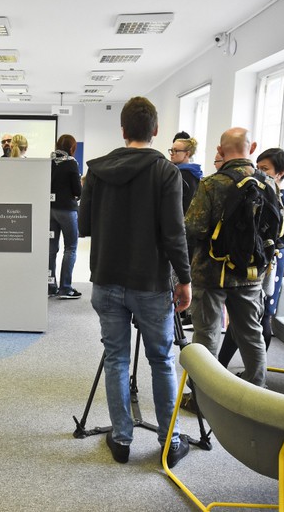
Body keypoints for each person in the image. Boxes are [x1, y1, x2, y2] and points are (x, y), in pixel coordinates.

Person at [78, 96, 192, 468]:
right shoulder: (167, 172)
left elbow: (84, 226)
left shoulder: (96, 170)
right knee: (162, 358)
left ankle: (122, 439)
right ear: (156, 131)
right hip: (151, 282)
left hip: (107, 279)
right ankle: (169, 440)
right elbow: (174, 233)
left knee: (116, 357)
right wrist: (185, 279)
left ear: (123, 130)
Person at [185, 127, 279, 388]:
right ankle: (256, 391)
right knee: (251, 334)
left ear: (220, 150)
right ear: (252, 147)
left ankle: (203, 397)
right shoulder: (269, 183)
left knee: (207, 337)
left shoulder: (212, 184)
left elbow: (194, 227)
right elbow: (277, 229)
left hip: (211, 272)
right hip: (250, 273)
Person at [218, 148, 284, 368]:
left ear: (280, 173)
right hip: (259, 262)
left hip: (269, 265)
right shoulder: (263, 191)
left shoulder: (281, 197)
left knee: (263, 318)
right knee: (244, 319)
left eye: (265, 169)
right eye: (258, 167)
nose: (259, 172)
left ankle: (250, 375)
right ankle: (225, 367)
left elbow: (279, 238)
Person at [48, 134, 83, 299]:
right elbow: (78, 191)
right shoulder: (71, 163)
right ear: (71, 148)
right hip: (67, 211)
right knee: (71, 248)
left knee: (51, 249)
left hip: (50, 210)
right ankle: (65, 288)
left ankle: (50, 285)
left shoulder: (49, 162)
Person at [169, 136, 203, 214]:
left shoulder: (183, 175)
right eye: (171, 150)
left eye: (176, 150)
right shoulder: (195, 172)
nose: (172, 154)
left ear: (187, 154)